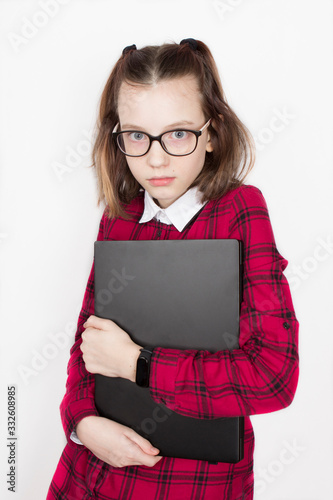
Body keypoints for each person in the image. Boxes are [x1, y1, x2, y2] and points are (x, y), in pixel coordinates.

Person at [47, 38, 299, 500]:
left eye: (178, 133)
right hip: (92, 475)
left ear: (213, 132)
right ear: (117, 136)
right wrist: (82, 423)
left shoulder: (241, 211)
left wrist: (139, 365)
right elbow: (89, 343)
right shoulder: (118, 216)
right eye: (137, 135)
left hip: (191, 485)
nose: (156, 158)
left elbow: (274, 375)